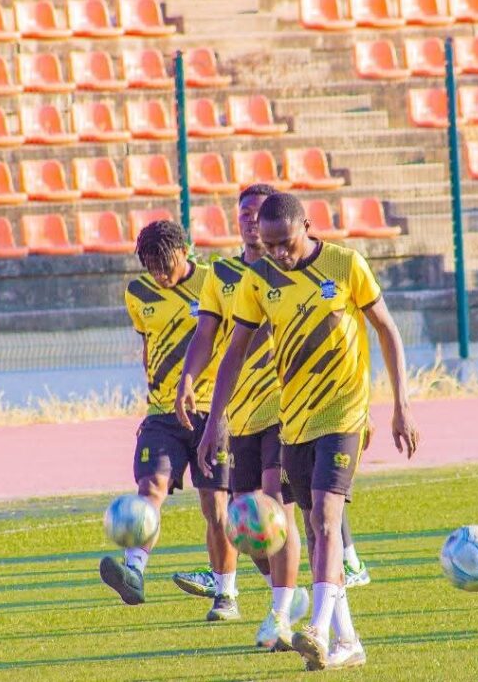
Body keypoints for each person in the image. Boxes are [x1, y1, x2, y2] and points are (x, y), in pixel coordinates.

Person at [198, 193, 418, 671]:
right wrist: (215, 419)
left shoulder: (345, 265)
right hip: (292, 421)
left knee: (326, 517)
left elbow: (387, 330)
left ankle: (316, 629)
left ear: (308, 226)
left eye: (286, 242)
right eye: (269, 244)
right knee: (311, 530)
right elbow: (233, 352)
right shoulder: (259, 279)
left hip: (344, 413)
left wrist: (401, 404)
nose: (278, 252)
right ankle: (348, 641)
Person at [175, 184, 309, 649]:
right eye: (243, 213)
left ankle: (280, 615)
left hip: (284, 409)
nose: (250, 220)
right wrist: (189, 379)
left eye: (257, 213)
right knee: (245, 522)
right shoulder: (222, 275)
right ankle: (286, 596)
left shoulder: (291, 271)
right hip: (240, 413)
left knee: (274, 508)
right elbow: (206, 336)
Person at [99, 219, 237, 622]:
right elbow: (149, 345)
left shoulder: (214, 282)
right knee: (151, 487)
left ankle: (225, 594)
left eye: (165, 265)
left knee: (215, 506)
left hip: (212, 411)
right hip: (161, 412)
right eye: (151, 266)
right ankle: (134, 572)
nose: (159, 274)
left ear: (184, 251)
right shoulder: (137, 293)